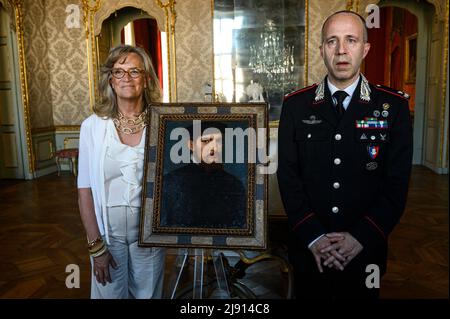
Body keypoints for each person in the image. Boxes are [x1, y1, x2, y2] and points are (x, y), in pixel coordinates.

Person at [277, 10, 413, 299]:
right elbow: (288, 177)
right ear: (322, 50)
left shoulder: (394, 107)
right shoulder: (296, 105)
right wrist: (313, 236)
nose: (341, 50)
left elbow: (396, 184)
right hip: (309, 249)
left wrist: (361, 237)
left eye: (351, 40)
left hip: (367, 250)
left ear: (365, 49)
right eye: (332, 41)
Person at [77, 45, 166, 299]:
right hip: (107, 234)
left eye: (134, 71)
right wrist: (96, 247)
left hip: (149, 235)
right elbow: (85, 191)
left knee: (148, 296)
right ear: (111, 80)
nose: (126, 78)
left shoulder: (163, 123)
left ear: (146, 79)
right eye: (119, 71)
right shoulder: (92, 127)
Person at [160, 121, 247, 229]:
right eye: (206, 141)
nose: (214, 148)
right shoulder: (170, 182)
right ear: (191, 145)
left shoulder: (234, 184)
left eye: (218, 141)